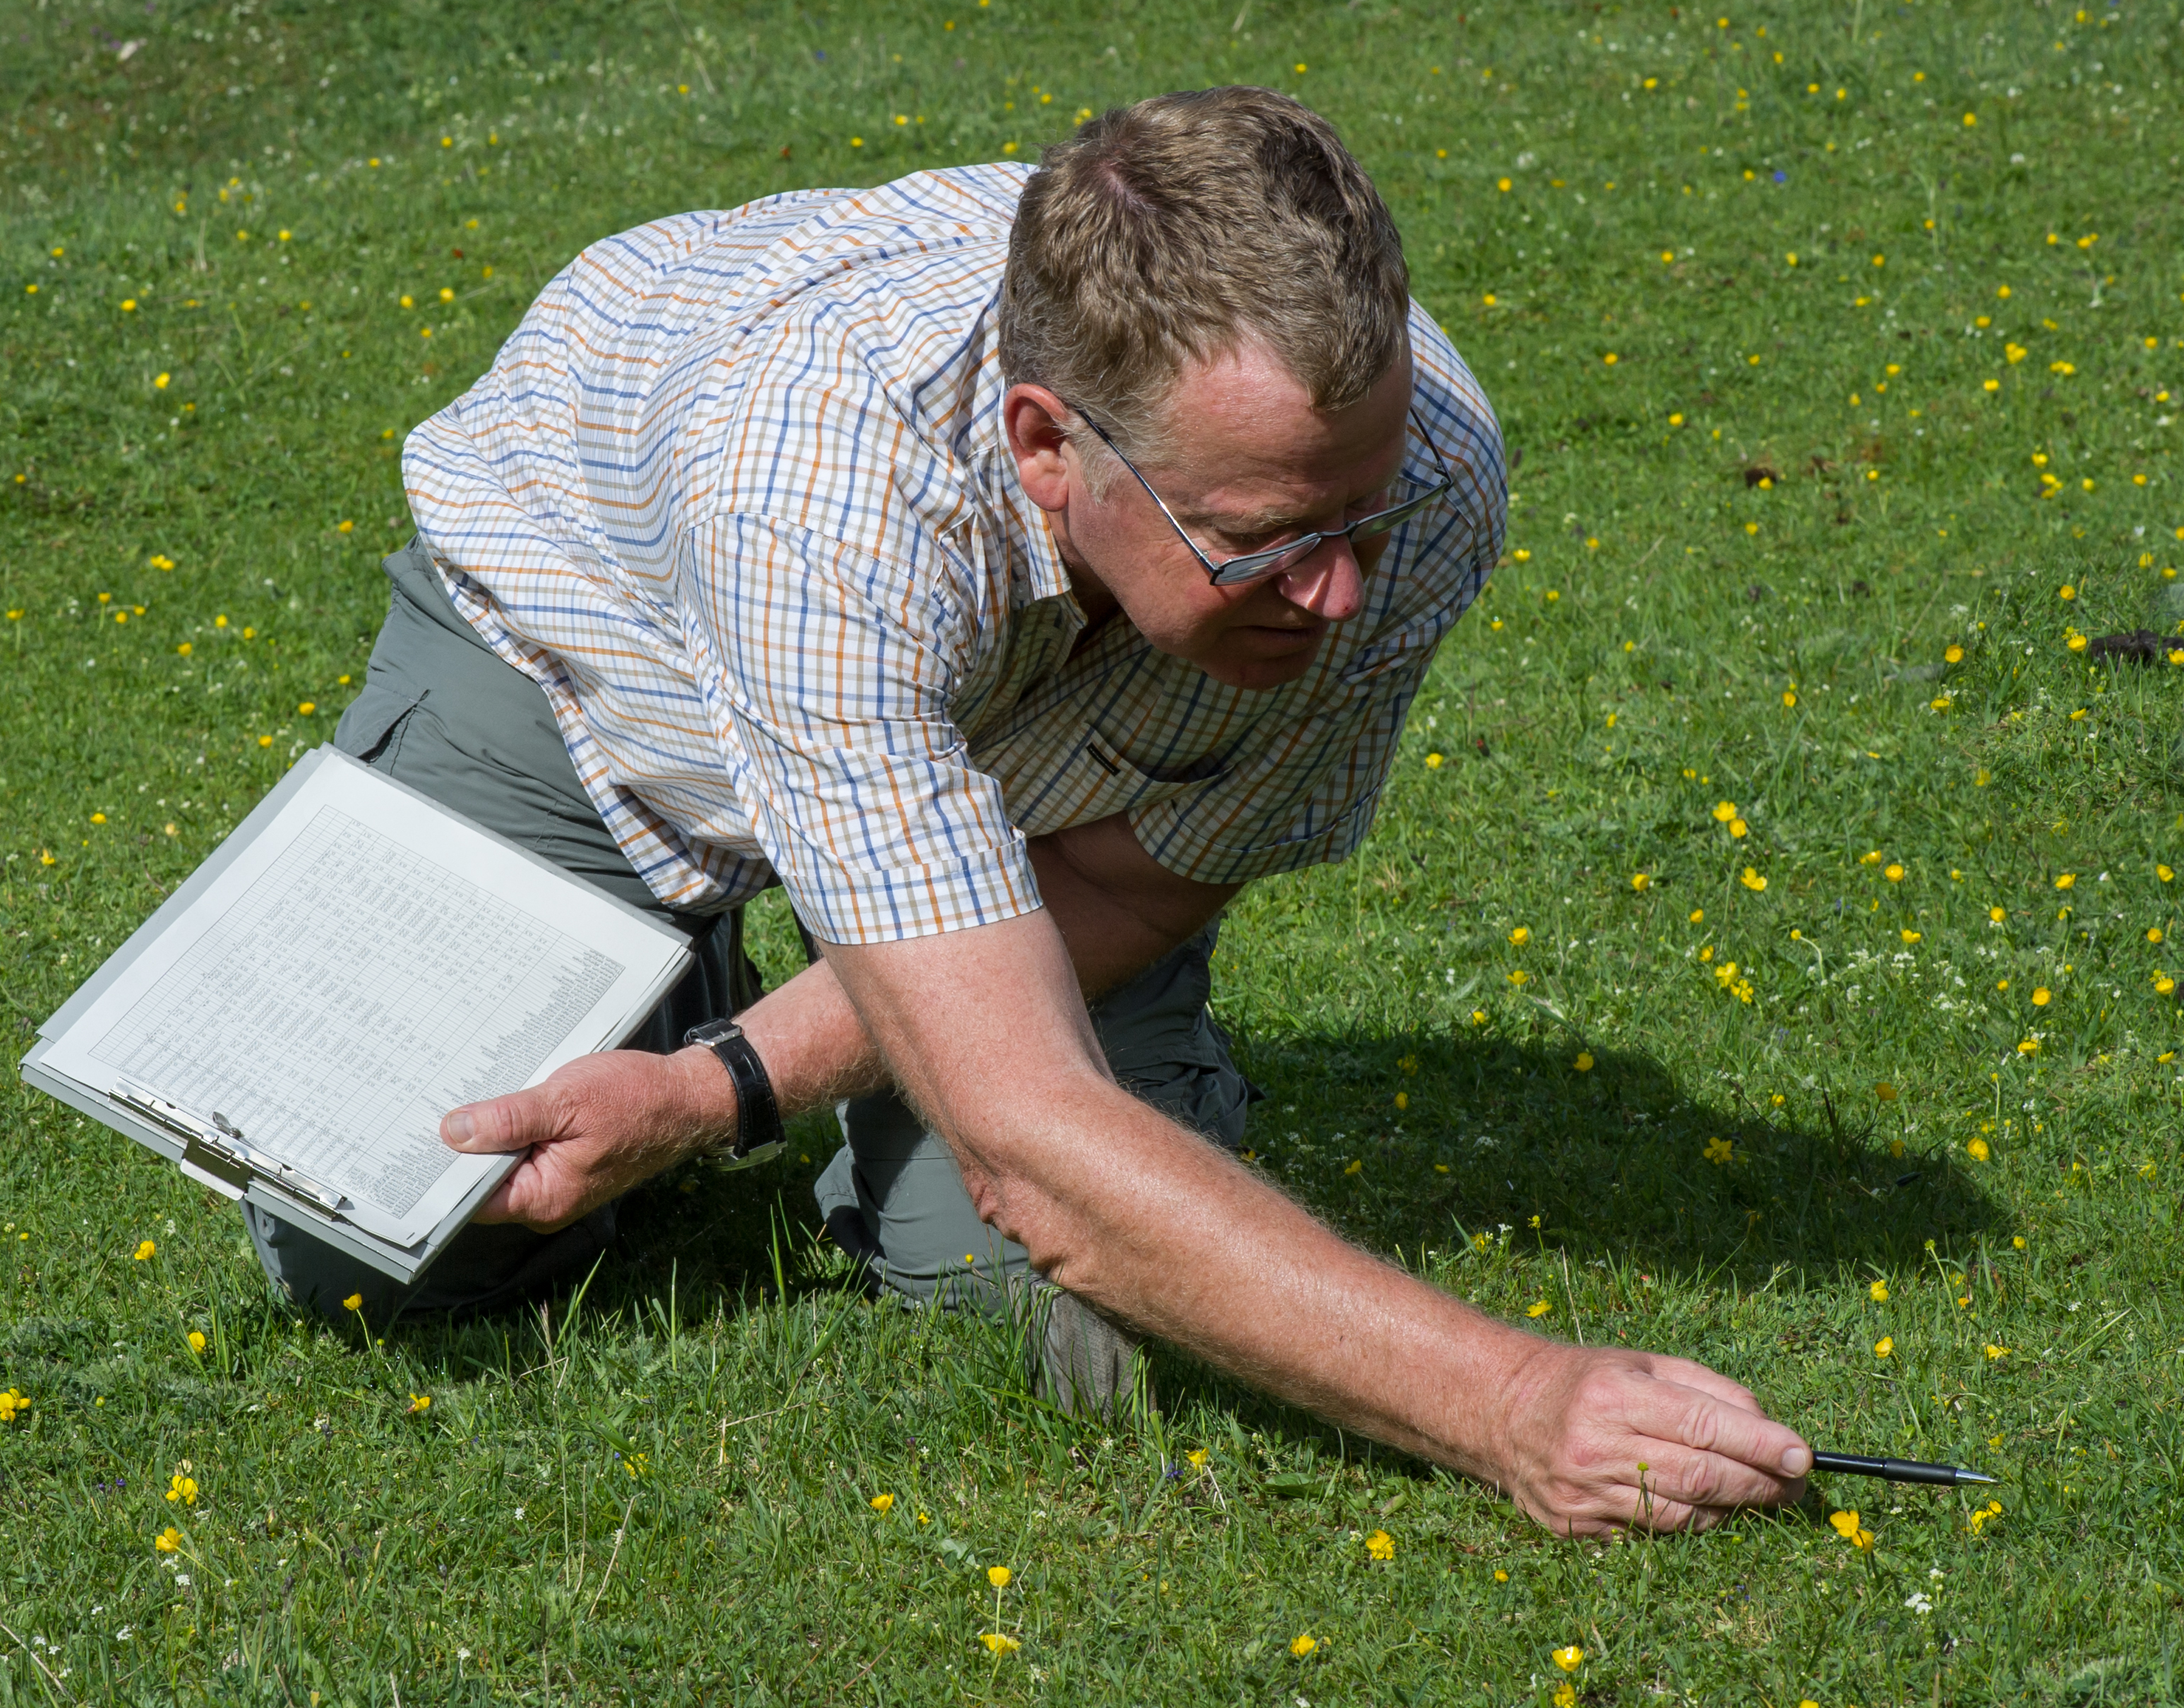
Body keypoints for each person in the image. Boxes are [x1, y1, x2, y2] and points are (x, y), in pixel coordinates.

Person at [245, 86, 1814, 1534]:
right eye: (1268, 539)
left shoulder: (1423, 480)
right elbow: (1040, 1142)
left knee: (1067, 1319)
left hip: (1017, 763)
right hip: (597, 654)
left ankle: (772, 997)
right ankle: (682, 945)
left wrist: (722, 1091)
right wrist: (1514, 1405)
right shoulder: (815, 485)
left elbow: (1134, 885)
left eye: (1364, 511)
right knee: (381, 1236)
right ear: (1048, 447)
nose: (1339, 591)